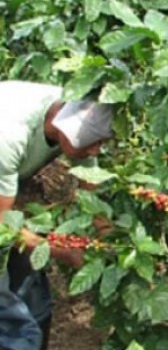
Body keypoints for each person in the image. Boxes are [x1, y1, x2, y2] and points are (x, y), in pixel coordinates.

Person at [0, 80, 113, 350]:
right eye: (93, 143)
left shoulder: (75, 110)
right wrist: (63, 252)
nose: (96, 151)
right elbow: (2, 224)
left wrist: (107, 240)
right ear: (66, 132)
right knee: (8, 314)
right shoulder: (8, 134)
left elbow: (91, 193)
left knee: (34, 294)